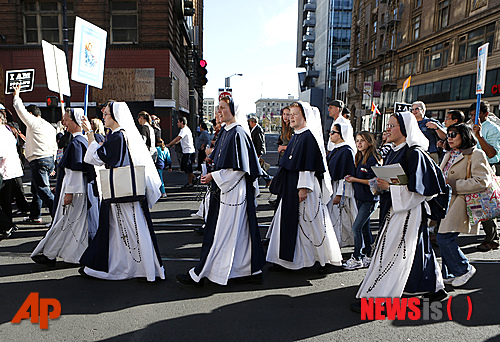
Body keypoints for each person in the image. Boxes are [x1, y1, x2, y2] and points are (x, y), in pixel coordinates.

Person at [352, 112, 449, 311]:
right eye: (388, 125)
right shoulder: (395, 151)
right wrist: (380, 185)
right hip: (396, 209)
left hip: (407, 212)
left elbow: (422, 191)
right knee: (414, 251)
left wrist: (389, 188)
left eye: (392, 125)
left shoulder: (415, 153)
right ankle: (432, 287)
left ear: (404, 129)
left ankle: (382, 299)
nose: (387, 129)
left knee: (395, 253)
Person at [176, 96, 265, 286]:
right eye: (219, 108)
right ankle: (243, 270)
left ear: (233, 110)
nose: (219, 111)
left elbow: (238, 170)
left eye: (223, 108)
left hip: (232, 192)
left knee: (224, 232)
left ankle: (209, 272)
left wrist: (213, 177)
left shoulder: (238, 133)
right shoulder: (227, 131)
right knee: (235, 233)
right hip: (225, 190)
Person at [79, 102, 164, 282]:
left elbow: (96, 157)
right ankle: (140, 267)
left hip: (121, 193)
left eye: (107, 114)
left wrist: (89, 133)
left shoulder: (118, 137)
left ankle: (134, 267)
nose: (104, 116)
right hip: (125, 191)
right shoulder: (120, 136)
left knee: (126, 231)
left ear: (116, 117)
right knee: (127, 231)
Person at [266, 101, 342, 273]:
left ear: (304, 116)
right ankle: (287, 261)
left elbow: (308, 165)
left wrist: (303, 188)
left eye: (295, 114)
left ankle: (322, 260)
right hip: (291, 186)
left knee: (309, 224)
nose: (291, 117)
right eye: (290, 114)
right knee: (290, 223)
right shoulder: (297, 135)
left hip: (304, 188)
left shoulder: (308, 137)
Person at [31, 108, 99, 266]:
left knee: (65, 224)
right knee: (72, 225)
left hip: (75, 193)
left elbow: (74, 171)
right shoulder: (81, 141)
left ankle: (49, 254)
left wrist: (69, 193)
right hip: (80, 192)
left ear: (75, 122)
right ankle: (57, 254)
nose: (63, 123)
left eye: (66, 119)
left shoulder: (76, 143)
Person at [438, 123, 491, 287]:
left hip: (460, 202)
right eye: (448, 134)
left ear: (465, 135)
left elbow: (482, 181)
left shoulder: (476, 154)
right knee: (443, 236)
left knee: (444, 238)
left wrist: (453, 184)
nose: (449, 137)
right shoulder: (450, 153)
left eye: (454, 134)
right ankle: (449, 273)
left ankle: (463, 269)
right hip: (445, 202)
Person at [12, 85, 57, 223]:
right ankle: (35, 216)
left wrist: (16, 94)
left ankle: (58, 215)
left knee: (43, 191)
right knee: (37, 190)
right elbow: (54, 146)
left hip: (39, 159)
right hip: (48, 158)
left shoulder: (34, 123)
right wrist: (53, 163)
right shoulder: (49, 126)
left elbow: (19, 109)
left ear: (31, 115)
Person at [344, 131, 382, 270]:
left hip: (370, 199)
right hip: (361, 198)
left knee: (356, 228)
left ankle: (357, 257)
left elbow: (374, 181)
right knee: (364, 228)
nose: (359, 143)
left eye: (362, 140)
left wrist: (354, 179)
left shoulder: (373, 159)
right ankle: (369, 255)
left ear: (370, 142)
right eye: (357, 140)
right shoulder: (359, 157)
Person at [469, 101, 500, 251]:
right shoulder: (469, 127)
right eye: (472, 115)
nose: (474, 118)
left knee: (486, 204)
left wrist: (479, 136)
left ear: (485, 114)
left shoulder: (493, 129)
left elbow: (493, 154)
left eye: (477, 115)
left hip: (485, 171)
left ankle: (492, 237)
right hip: (469, 169)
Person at [326, 122, 356, 248]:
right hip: (333, 186)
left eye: (333, 132)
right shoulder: (336, 149)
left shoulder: (346, 151)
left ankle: (340, 244)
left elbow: (346, 175)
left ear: (341, 134)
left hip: (340, 188)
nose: (330, 134)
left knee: (341, 219)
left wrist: (340, 193)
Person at [0, 107, 23, 239]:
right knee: (5, 201)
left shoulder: (2, 132)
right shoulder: (6, 131)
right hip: (9, 171)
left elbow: (1, 154)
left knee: (5, 200)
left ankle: (6, 225)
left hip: (3, 171)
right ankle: (7, 226)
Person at [167, 117, 196, 187]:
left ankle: (192, 181)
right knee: (186, 167)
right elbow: (179, 140)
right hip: (187, 151)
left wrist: (169, 144)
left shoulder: (184, 130)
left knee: (188, 168)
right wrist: (174, 144)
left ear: (182, 122)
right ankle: (192, 180)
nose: (177, 124)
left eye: (178, 122)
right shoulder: (183, 130)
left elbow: (178, 138)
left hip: (189, 152)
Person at [248, 115, 272, 187]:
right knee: (256, 167)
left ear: (252, 122)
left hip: (257, 152)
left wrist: (259, 152)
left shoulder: (257, 129)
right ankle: (266, 179)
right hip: (255, 151)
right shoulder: (255, 129)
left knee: (256, 167)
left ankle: (267, 178)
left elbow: (259, 141)